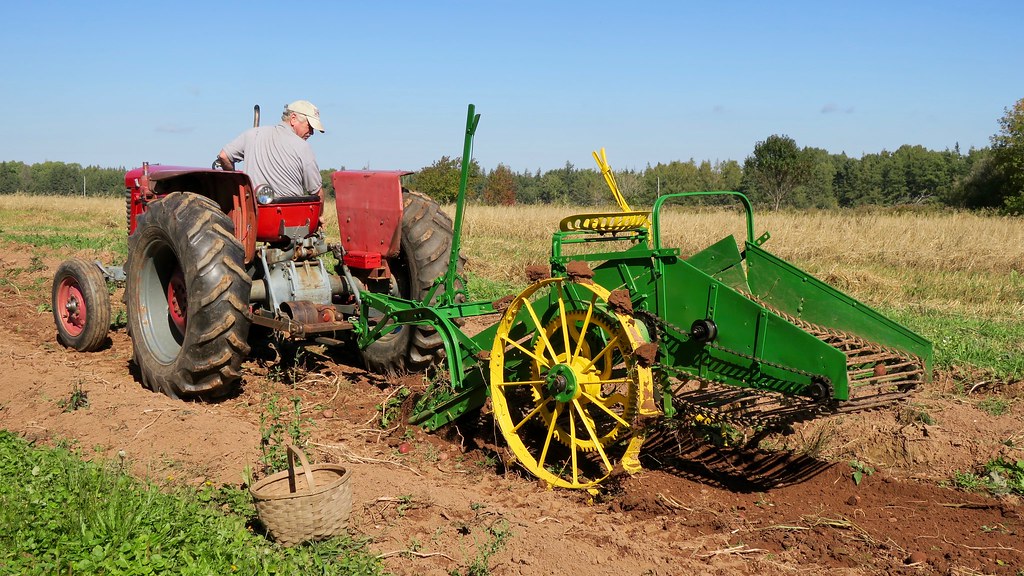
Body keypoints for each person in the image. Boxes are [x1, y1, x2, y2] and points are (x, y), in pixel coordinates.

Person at [217, 100, 325, 199]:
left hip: (252, 211)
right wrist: (320, 217)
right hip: (289, 211)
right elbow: (316, 191)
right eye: (309, 126)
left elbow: (224, 156)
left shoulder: (253, 134)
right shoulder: (303, 147)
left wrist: (235, 184)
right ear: (293, 119)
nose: (311, 132)